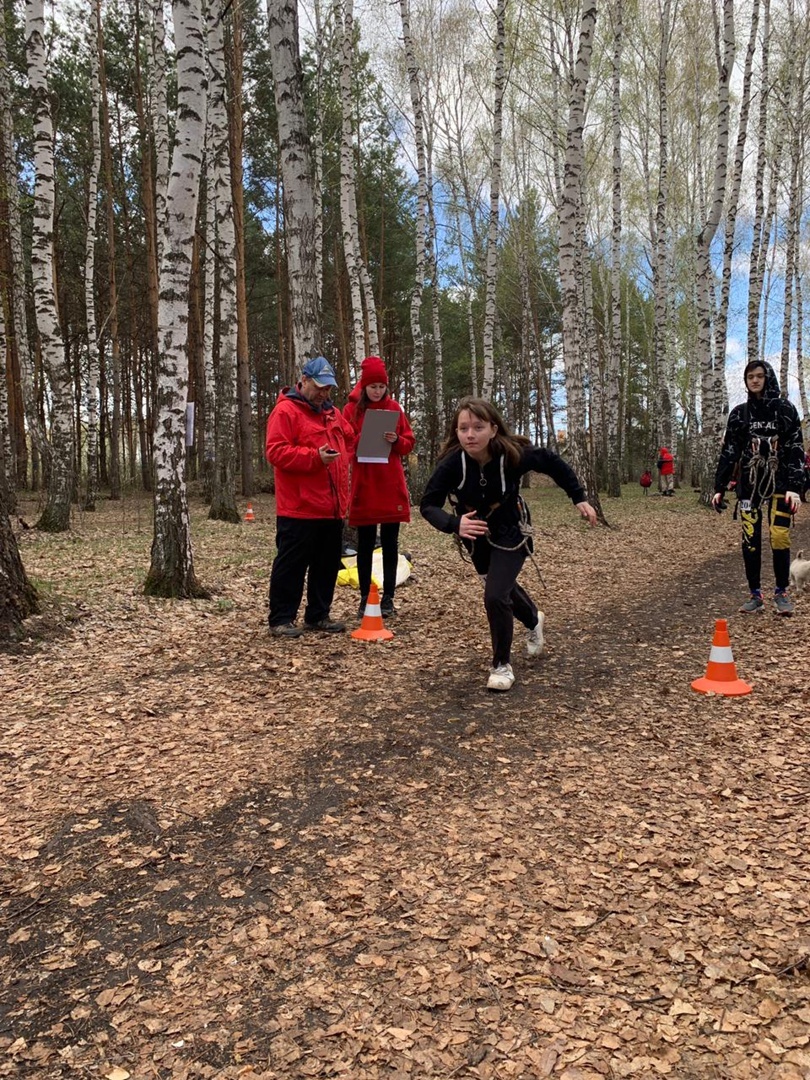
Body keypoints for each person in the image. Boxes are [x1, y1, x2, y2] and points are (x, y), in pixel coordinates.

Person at [420, 397, 598, 692]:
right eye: (463, 428)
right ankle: (533, 620)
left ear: (493, 428)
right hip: (474, 536)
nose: (470, 434)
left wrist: (578, 497)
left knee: (494, 595)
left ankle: (501, 665)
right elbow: (428, 504)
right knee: (500, 590)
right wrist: (455, 524)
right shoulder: (453, 463)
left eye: (478, 427)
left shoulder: (513, 454)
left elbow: (553, 464)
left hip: (511, 530)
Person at [265, 356, 355, 637]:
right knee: (291, 565)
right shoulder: (286, 412)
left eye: (328, 388)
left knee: (327, 566)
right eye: (319, 387)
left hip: (332, 508)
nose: (324, 393)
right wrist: (314, 458)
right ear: (303, 381)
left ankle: (318, 616)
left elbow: (349, 440)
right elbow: (276, 452)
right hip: (299, 508)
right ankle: (280, 619)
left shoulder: (333, 413)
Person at [711, 359, 805, 616]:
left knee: (779, 536)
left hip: (781, 483)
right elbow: (729, 451)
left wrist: (795, 486)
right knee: (750, 540)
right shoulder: (739, 414)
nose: (754, 380)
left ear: (768, 377)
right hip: (749, 485)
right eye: (750, 376)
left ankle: (781, 593)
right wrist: (719, 487)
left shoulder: (785, 409)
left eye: (759, 376)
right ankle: (755, 595)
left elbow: (796, 447)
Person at [343, 356, 415, 618]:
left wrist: (396, 440)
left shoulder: (394, 408)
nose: (377, 391)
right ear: (363, 386)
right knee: (364, 543)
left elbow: (409, 442)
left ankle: (388, 597)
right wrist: (363, 438)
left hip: (389, 482)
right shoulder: (351, 410)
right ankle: (365, 597)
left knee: (390, 542)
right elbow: (344, 443)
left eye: (381, 387)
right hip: (364, 482)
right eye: (372, 386)